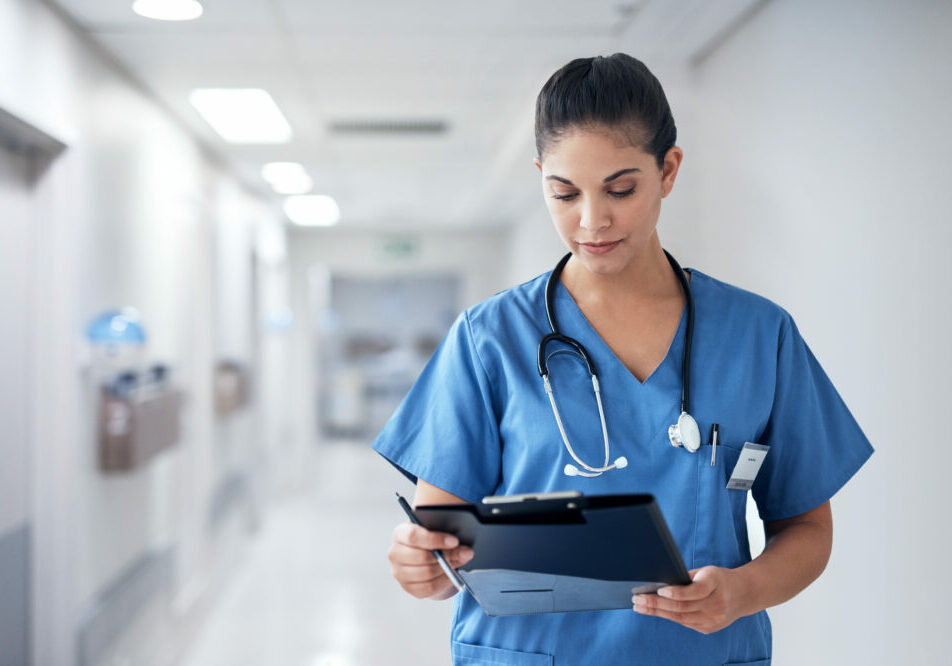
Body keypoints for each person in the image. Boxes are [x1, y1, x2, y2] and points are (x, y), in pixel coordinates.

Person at [373, 53, 872, 665]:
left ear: (668, 170)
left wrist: (743, 592)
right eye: (563, 193)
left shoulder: (757, 335)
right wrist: (419, 562)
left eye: (621, 188)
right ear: (541, 180)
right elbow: (442, 532)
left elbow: (808, 528)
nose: (591, 221)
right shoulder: (490, 338)